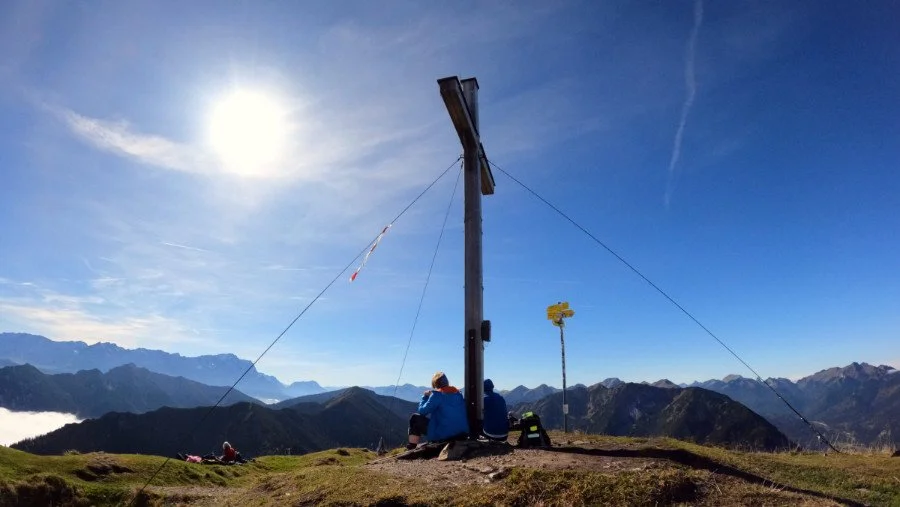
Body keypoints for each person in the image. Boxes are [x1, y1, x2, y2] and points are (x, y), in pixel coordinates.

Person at [407, 371, 469, 450]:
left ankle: (412, 446)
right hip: (462, 433)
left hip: (445, 434)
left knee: (415, 418)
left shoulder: (437, 395)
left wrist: (425, 397)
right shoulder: (458, 394)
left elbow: (422, 411)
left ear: (435, 384)